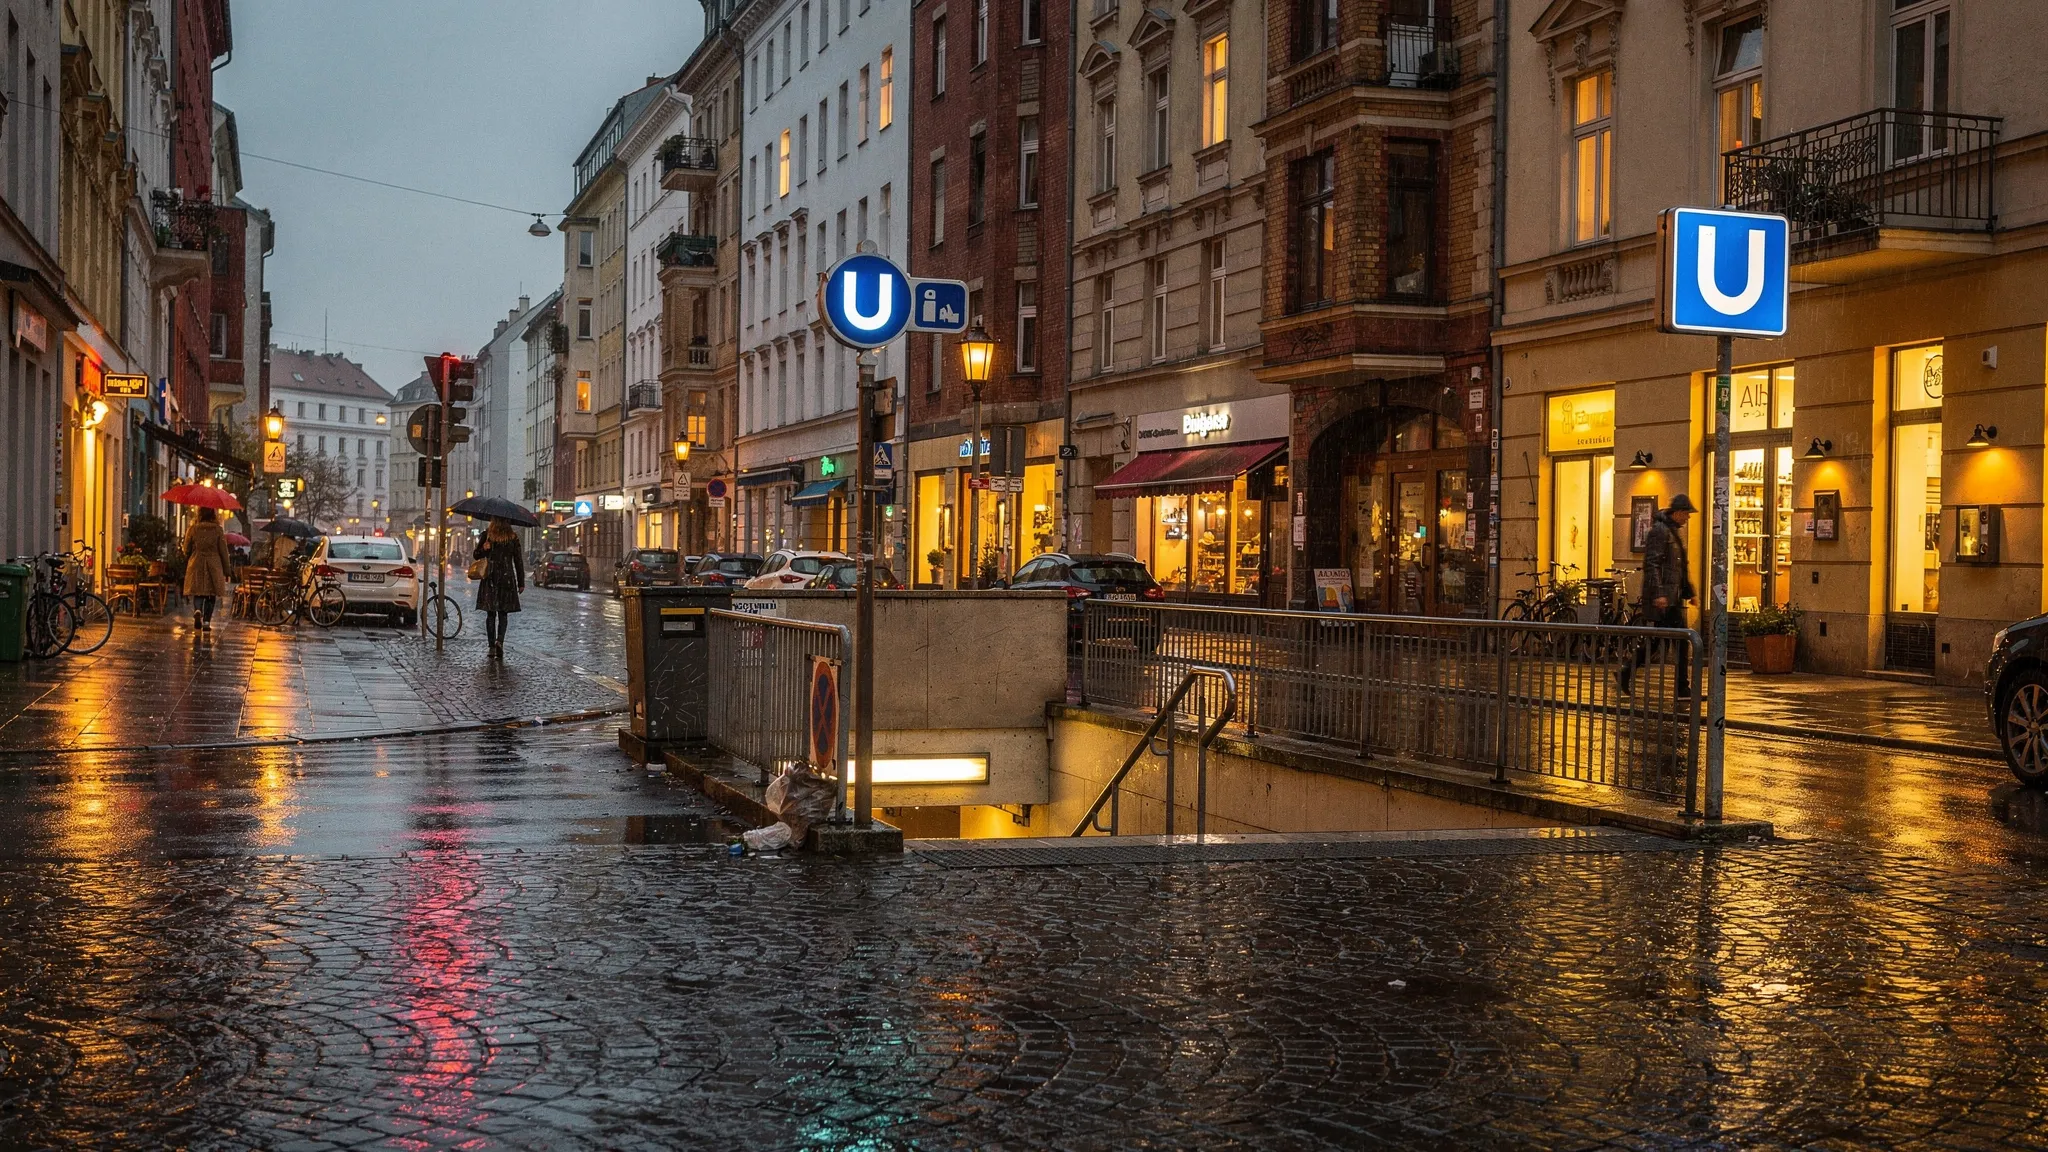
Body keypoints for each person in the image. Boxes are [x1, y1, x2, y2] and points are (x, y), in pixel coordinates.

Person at [1621, 494, 1696, 697]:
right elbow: (1652, 564)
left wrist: (1689, 592)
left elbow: (1679, 566)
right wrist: (1659, 594)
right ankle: (1681, 686)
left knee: (1664, 641)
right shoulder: (1660, 532)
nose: (1688, 518)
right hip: (1663, 600)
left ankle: (1628, 671)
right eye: (1687, 514)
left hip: (1671, 598)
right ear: (1678, 512)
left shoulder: (1671, 531)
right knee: (1673, 641)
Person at [474, 519, 526, 659]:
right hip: (507, 578)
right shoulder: (513, 537)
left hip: (490, 578)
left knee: (491, 613)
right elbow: (518, 561)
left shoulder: (487, 536)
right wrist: (521, 582)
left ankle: (491, 647)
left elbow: (476, 555)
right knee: (503, 613)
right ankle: (500, 641)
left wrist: (483, 549)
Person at [182, 506, 234, 632]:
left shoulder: (193, 529)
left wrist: (190, 556)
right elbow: (223, 551)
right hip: (213, 564)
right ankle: (206, 622)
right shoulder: (217, 530)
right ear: (213, 515)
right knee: (211, 594)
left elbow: (186, 549)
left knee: (198, 591)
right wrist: (227, 570)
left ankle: (198, 610)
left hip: (196, 563)